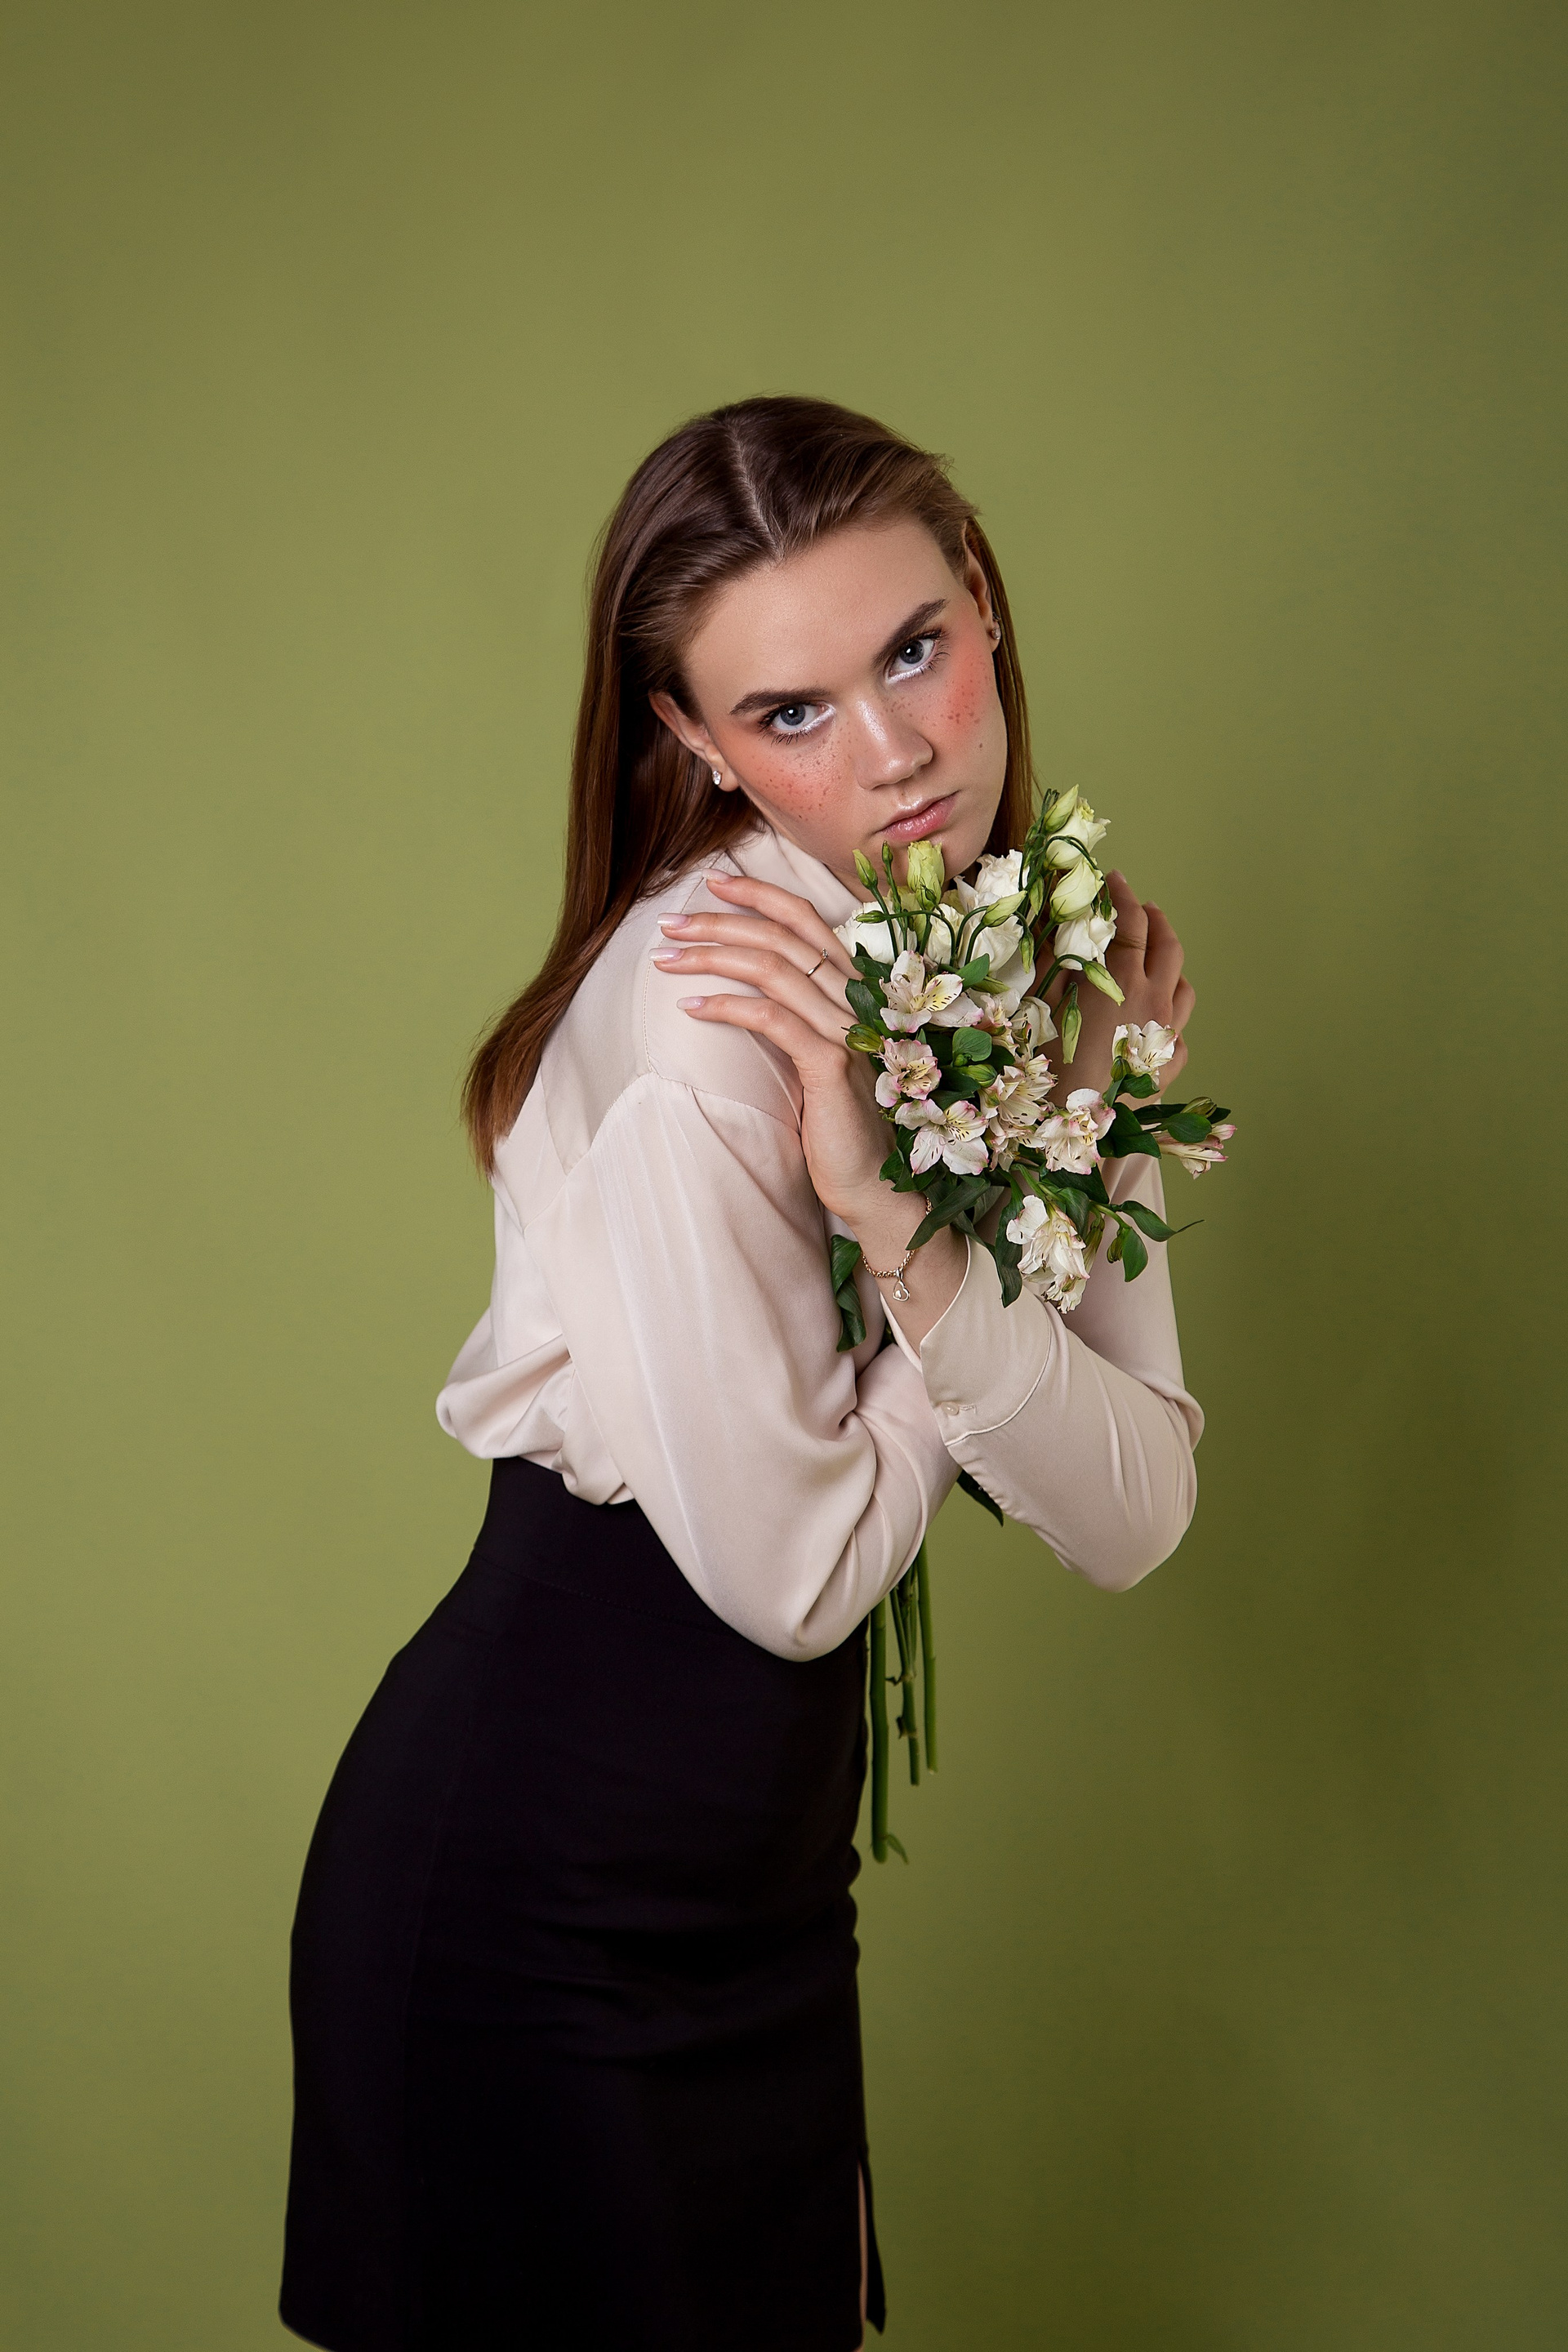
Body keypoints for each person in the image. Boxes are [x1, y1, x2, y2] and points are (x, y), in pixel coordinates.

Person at [278, 394, 1202, 2352]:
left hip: (763, 1891)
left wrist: (1068, 1116)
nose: (896, 753)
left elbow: (1133, 1516)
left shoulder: (994, 958)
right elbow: (796, 1579)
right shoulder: (713, 1016)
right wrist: (937, 1221)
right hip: (541, 1901)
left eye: (916, 650)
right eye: (790, 712)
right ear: (693, 738)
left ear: (985, 604)